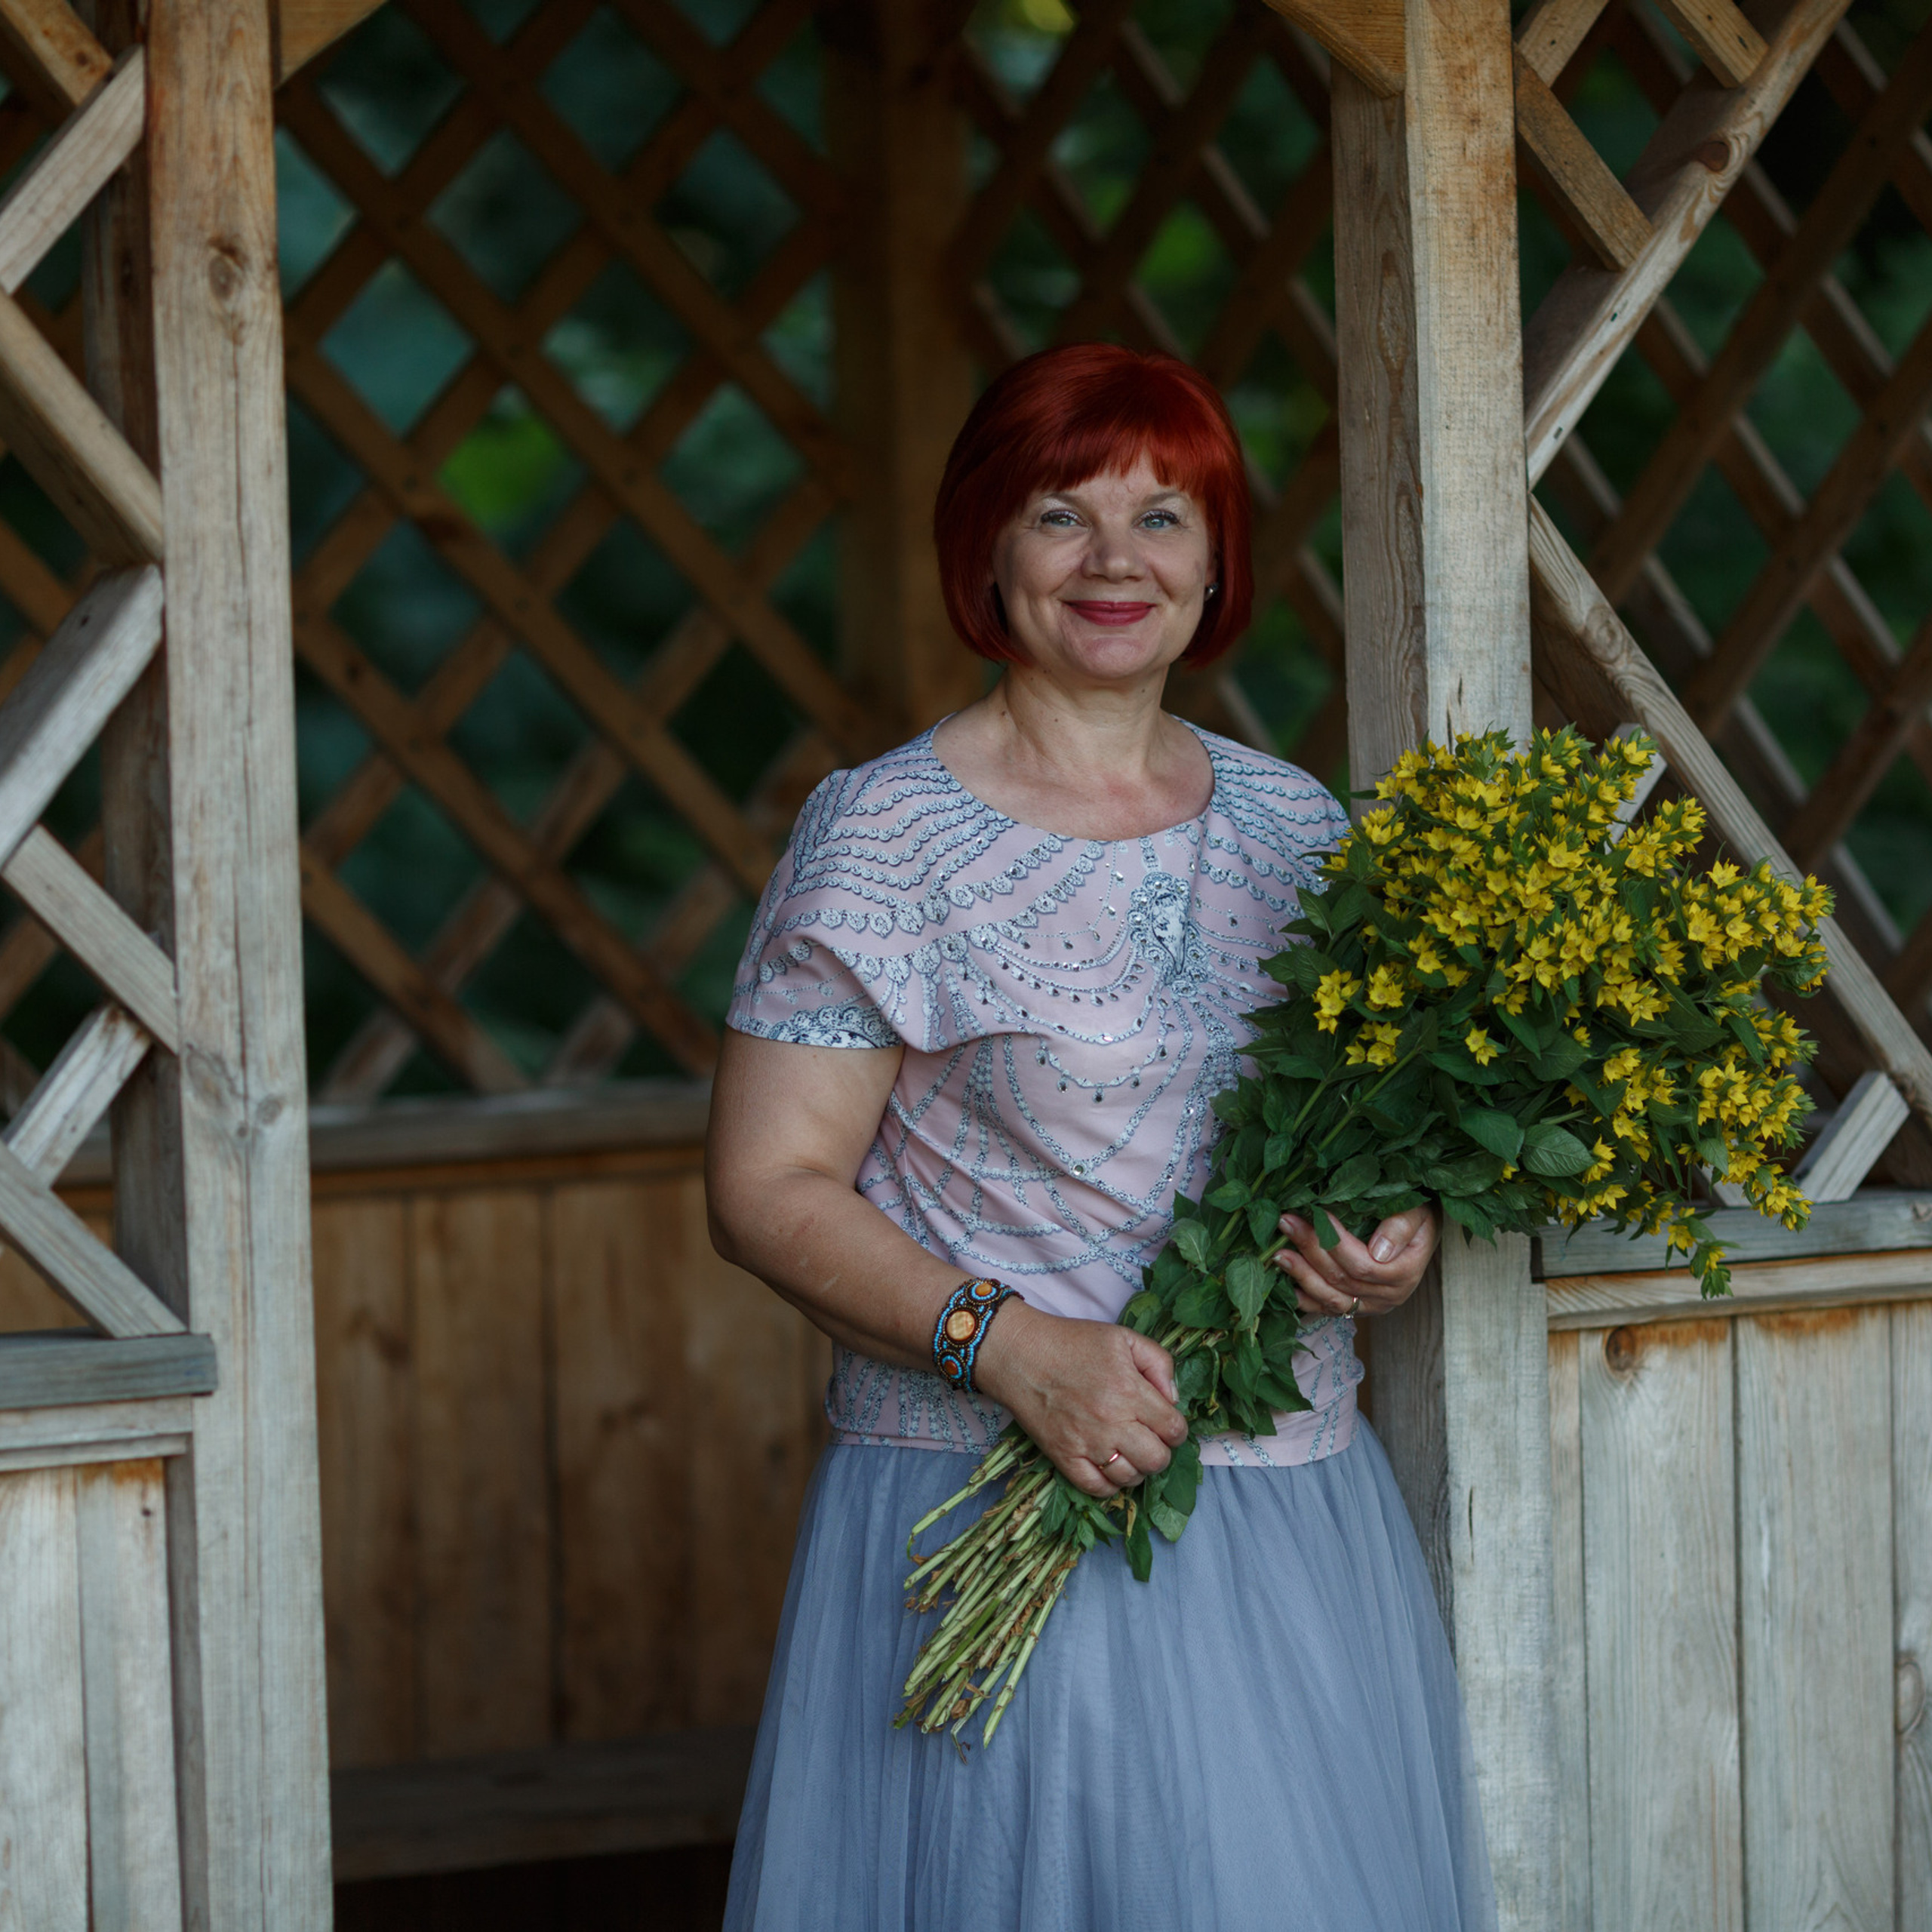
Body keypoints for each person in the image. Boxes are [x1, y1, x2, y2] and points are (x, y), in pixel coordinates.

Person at [706, 342, 1496, 1930]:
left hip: (1281, 1506)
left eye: (1162, 516)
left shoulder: (1302, 829)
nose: (1114, 560)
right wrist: (1012, 1349)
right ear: (984, 551)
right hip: (993, 1494)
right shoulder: (884, 830)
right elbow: (762, 1188)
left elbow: (1347, 1131)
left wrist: (1388, 1235)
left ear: (1217, 564)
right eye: (1060, 515)